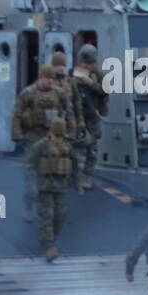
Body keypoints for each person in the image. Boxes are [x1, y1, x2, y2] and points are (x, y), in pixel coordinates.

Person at [12, 65, 79, 221]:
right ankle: (29, 205)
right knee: (32, 175)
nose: (50, 81)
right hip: (33, 138)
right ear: (41, 77)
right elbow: (17, 115)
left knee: (55, 171)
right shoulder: (28, 94)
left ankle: (51, 209)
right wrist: (18, 136)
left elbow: (70, 113)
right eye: (48, 78)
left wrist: (72, 132)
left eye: (52, 78)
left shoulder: (59, 93)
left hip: (52, 138)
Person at [26, 116, 76, 261]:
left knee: (60, 216)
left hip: (62, 187)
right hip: (45, 186)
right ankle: (49, 247)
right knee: (47, 217)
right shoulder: (41, 145)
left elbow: (74, 164)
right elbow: (29, 165)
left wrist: (77, 183)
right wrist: (32, 185)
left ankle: (49, 239)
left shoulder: (67, 146)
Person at [70, 44, 108, 193]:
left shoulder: (99, 74)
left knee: (92, 149)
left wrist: (92, 85)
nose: (85, 65)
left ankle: (87, 176)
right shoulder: (76, 73)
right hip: (77, 115)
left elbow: (106, 90)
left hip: (91, 115)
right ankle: (74, 175)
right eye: (84, 62)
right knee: (73, 146)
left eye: (88, 62)